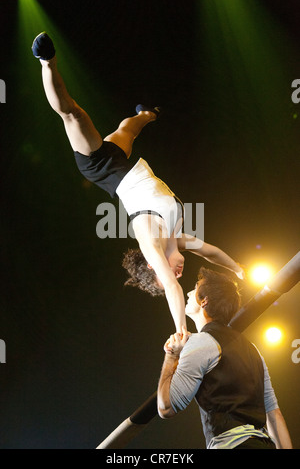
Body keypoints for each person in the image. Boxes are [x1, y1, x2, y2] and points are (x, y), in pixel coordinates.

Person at [31, 32, 245, 332]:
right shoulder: (176, 238)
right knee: (129, 129)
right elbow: (210, 251)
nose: (178, 274)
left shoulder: (151, 240)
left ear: (152, 266)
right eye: (177, 275)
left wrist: (181, 330)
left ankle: (46, 61)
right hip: (121, 163)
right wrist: (238, 269)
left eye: (167, 273)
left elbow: (171, 290)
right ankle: (147, 114)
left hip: (100, 167)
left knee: (73, 113)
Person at [157, 267, 293, 449]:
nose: (188, 293)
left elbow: (166, 408)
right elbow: (274, 414)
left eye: (195, 288)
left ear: (204, 301)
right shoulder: (254, 350)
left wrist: (171, 356)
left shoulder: (200, 343)